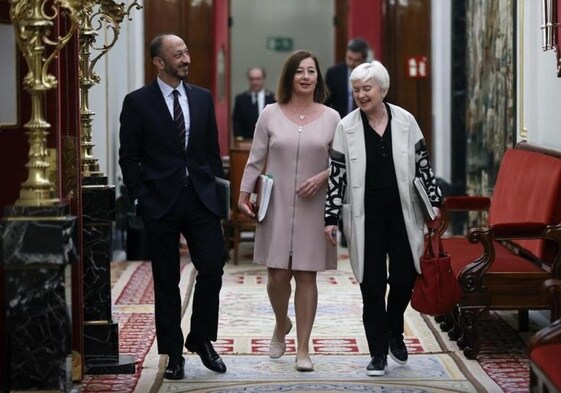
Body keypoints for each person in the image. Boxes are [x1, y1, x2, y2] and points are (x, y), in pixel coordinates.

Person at [119, 34, 227, 380]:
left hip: (200, 199)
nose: (186, 59)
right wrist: (141, 196)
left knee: (212, 268)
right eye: (178, 54)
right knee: (166, 281)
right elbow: (128, 156)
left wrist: (216, 190)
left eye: (186, 51)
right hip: (160, 204)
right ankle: (172, 352)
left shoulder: (202, 98)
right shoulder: (137, 103)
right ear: (159, 62)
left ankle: (201, 338)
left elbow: (212, 151)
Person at [323, 60, 442, 377]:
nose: (361, 95)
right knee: (371, 284)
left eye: (367, 89)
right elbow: (337, 176)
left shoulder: (406, 121)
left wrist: (434, 204)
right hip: (365, 217)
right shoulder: (346, 127)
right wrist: (331, 218)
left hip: (404, 213)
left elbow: (423, 165)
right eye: (357, 90)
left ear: (383, 89)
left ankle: (394, 329)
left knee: (405, 277)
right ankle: (378, 352)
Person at [237, 50, 340, 372]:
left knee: (306, 274)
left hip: (314, 205)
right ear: (289, 77)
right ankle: (281, 323)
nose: (306, 76)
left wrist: (323, 176)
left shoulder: (332, 117)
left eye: (311, 71)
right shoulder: (270, 113)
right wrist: (243, 194)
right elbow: (255, 158)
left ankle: (303, 350)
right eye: (299, 71)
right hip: (277, 201)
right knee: (277, 274)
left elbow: (341, 162)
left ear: (318, 78)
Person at [324, 37, 369, 247]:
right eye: (349, 58)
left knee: (358, 178)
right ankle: (340, 226)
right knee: (339, 176)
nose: (351, 63)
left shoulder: (370, 75)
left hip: (363, 129)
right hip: (338, 130)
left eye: (356, 60)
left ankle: (355, 227)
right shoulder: (334, 73)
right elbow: (325, 102)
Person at [232, 67, 276, 139]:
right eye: (252, 79)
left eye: (258, 79)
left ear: (263, 79)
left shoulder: (273, 98)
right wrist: (238, 138)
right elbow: (236, 121)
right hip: (247, 141)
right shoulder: (240, 99)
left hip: (269, 139)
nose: (255, 82)